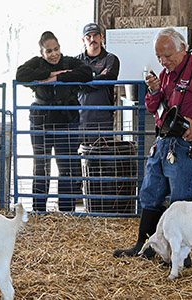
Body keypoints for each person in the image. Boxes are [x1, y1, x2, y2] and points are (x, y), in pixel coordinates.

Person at [113, 28, 192, 262]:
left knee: (181, 200)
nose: (163, 61)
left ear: (183, 48)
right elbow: (153, 108)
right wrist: (154, 90)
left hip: (185, 145)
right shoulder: (167, 73)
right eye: (159, 56)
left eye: (167, 55)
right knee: (151, 193)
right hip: (163, 142)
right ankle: (146, 245)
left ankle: (181, 256)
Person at [15, 31, 93, 212]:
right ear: (42, 53)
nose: (53, 54)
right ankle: (39, 211)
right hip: (41, 121)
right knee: (41, 166)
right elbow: (21, 74)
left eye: (56, 49)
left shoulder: (70, 62)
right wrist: (50, 72)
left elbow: (87, 73)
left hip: (67, 119)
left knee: (66, 166)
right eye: (48, 51)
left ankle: (66, 211)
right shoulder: (37, 63)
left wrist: (58, 77)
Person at [75, 23, 120, 143]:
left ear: (101, 37)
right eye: (88, 36)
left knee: (101, 158)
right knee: (74, 158)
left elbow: (110, 78)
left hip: (103, 118)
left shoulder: (111, 59)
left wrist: (84, 80)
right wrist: (98, 77)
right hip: (80, 117)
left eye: (95, 35)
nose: (92, 39)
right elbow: (74, 83)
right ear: (83, 40)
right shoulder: (76, 61)